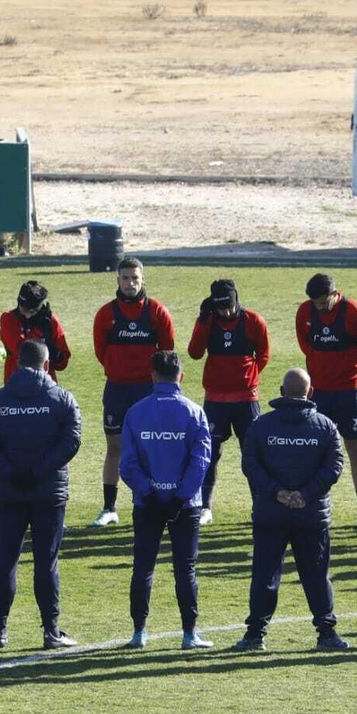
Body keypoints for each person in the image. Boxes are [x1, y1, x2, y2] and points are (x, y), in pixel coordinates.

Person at [0, 339, 84, 649]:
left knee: (5, 559)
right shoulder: (62, 399)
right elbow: (71, 442)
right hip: (49, 491)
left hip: (10, 491)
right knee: (46, 561)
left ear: (17, 363)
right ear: (47, 365)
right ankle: (51, 631)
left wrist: (10, 471)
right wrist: (39, 471)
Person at [232, 368, 348, 651]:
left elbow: (250, 465)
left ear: (282, 392)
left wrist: (277, 493)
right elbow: (334, 467)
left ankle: (255, 635)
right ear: (310, 393)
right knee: (317, 575)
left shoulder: (261, 425)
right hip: (311, 514)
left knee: (265, 574)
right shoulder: (326, 426)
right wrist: (306, 495)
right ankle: (327, 634)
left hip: (271, 513)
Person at [119, 351, 213, 649]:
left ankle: (138, 633)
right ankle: (189, 634)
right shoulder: (195, 413)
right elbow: (201, 462)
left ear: (152, 375)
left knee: (143, 567)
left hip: (147, 504)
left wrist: (149, 491)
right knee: (185, 568)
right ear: (180, 376)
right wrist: (179, 497)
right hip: (185, 506)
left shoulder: (135, 412)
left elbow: (127, 464)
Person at [91, 256, 175, 527]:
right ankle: (109, 508)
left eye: (135, 278)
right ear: (118, 280)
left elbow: (168, 351)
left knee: (151, 446)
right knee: (114, 447)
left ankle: (152, 502)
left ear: (143, 280)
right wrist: (119, 369)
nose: (130, 283)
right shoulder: (106, 314)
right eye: (125, 278)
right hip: (117, 389)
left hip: (148, 391)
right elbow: (100, 352)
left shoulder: (157, 312)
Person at [295, 272, 357, 531]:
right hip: (319, 391)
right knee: (316, 447)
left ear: (334, 294)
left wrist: (351, 370)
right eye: (316, 303)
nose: (320, 307)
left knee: (354, 446)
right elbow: (305, 345)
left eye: (323, 302)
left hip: (349, 392)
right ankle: (311, 504)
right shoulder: (305, 312)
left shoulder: (353, 311)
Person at [186, 278, 270, 526]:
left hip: (246, 399)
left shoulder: (253, 321)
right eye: (221, 308)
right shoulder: (209, 321)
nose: (227, 312)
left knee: (253, 452)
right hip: (215, 399)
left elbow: (263, 354)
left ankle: (260, 506)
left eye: (230, 306)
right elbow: (194, 353)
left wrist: (249, 377)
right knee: (210, 453)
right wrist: (202, 321)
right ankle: (205, 507)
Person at [0, 280, 70, 384]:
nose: (25, 314)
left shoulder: (51, 322)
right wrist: (40, 331)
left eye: (30, 311)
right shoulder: (8, 319)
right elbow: (24, 352)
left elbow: (62, 363)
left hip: (44, 386)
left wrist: (53, 351)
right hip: (17, 385)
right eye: (21, 308)